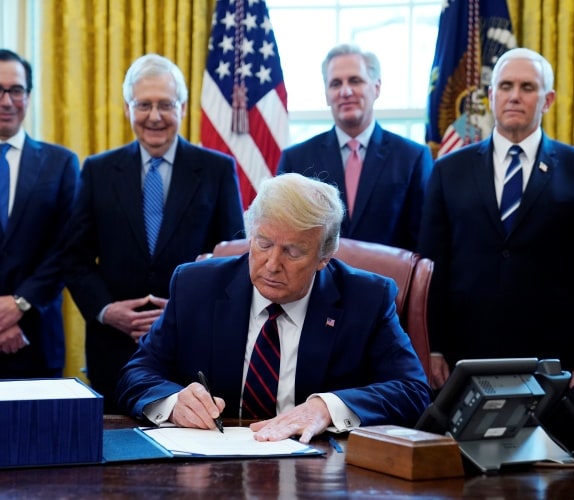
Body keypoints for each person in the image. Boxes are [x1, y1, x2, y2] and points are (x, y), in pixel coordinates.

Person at [117, 173, 431, 444]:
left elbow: (413, 389)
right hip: (212, 465)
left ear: (324, 257)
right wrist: (173, 402)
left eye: (293, 252)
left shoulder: (366, 298)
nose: (272, 265)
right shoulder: (195, 286)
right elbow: (138, 373)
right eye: (263, 244)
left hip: (320, 472)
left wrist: (328, 407)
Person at [63, 54, 245, 412]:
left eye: (166, 104)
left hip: (194, 346)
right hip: (114, 347)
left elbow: (235, 258)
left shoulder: (217, 170)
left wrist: (186, 306)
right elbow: (74, 256)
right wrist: (105, 310)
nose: (154, 116)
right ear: (128, 108)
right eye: (143, 104)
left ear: (183, 107)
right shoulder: (98, 170)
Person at [417, 47, 574, 390]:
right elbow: (432, 265)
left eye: (527, 87)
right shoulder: (449, 170)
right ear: (492, 96)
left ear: (548, 99)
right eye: (505, 86)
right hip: (465, 352)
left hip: (554, 356)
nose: (514, 96)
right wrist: (432, 347)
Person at [277, 43, 433, 251]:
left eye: (355, 81)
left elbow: (423, 241)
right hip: (319, 281)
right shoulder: (296, 159)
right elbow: (284, 234)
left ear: (376, 87)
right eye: (335, 84)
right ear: (326, 94)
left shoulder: (413, 158)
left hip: (391, 280)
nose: (345, 91)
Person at [0, 49, 79, 378]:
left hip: (36, 339)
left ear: (28, 95)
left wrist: (19, 302)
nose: (6, 101)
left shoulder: (61, 163)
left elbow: (68, 246)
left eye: (16, 90)